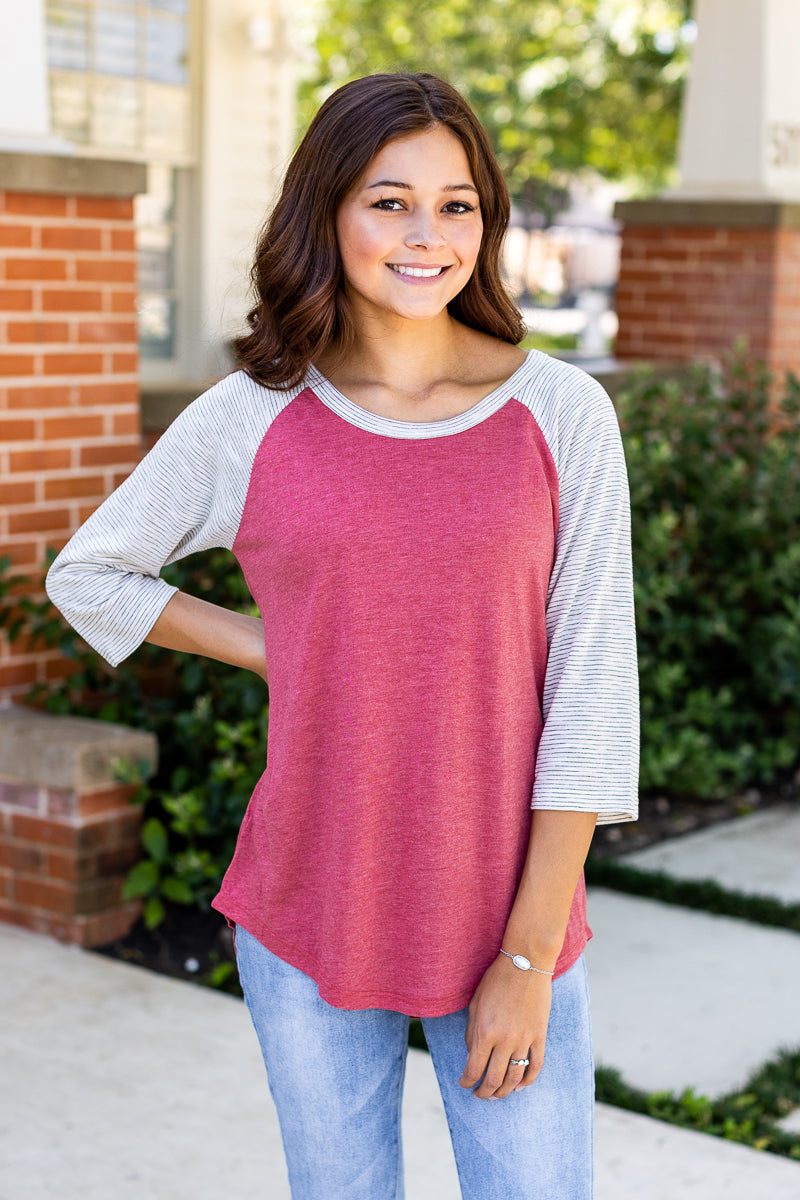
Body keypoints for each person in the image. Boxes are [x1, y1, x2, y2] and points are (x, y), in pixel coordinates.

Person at [45, 71, 639, 1200]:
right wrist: (278, 646)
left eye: (456, 205)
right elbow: (91, 574)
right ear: (326, 211)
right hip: (310, 904)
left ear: (486, 224)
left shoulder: (560, 414)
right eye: (389, 201)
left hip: (506, 917)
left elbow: (593, 695)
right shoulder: (255, 416)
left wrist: (527, 956)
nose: (426, 236)